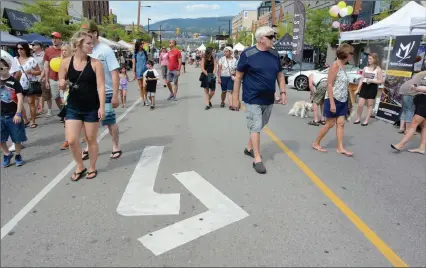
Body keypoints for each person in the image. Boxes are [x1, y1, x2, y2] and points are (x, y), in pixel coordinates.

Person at [232, 26, 287, 174]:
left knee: (261, 124)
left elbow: (280, 75)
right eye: (270, 37)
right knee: (256, 126)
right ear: (261, 38)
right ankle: (257, 158)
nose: (273, 39)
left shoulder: (274, 54)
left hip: (268, 99)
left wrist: (282, 92)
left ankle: (249, 148)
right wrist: (235, 99)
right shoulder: (248, 54)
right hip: (252, 98)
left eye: (273, 36)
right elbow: (238, 77)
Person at [58, 30, 106, 181]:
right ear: (78, 44)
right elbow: (61, 83)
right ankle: (80, 166)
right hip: (73, 107)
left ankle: (92, 166)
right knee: (72, 140)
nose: (92, 46)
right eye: (89, 43)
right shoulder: (66, 62)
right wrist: (61, 84)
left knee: (91, 139)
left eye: (92, 43)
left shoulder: (95, 63)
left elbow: (101, 87)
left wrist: (102, 107)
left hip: (91, 107)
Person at [86, 21, 122, 160]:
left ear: (95, 33)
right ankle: (89, 147)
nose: (87, 37)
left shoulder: (105, 50)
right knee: (88, 122)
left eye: (89, 33)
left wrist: (115, 95)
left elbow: (114, 73)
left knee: (109, 121)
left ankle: (115, 146)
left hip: (106, 92)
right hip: (89, 93)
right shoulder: (85, 51)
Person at [312, 43, 355, 156]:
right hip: (333, 99)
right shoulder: (335, 65)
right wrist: (332, 103)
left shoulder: (343, 66)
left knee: (341, 124)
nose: (352, 56)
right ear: (346, 54)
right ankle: (316, 143)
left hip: (342, 99)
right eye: (351, 53)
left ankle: (340, 147)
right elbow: (330, 85)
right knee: (330, 123)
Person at [1, 52, 26, 167]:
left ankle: (18, 154)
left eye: (1, 67)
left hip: (13, 114)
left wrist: (18, 113)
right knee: (1, 138)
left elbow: (20, 98)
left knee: (17, 138)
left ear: (8, 67)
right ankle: (6, 154)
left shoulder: (14, 82)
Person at [391, 79, 426, 155]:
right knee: (424, 126)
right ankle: (422, 148)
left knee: (414, 124)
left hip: (424, 102)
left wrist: (415, 88)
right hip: (421, 100)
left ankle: (400, 145)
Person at [15, 42, 42, 129]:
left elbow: (39, 71)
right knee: (18, 103)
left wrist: (31, 72)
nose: (19, 50)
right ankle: (25, 119)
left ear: (26, 49)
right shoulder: (15, 60)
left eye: (21, 48)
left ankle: (33, 121)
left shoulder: (31, 60)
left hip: (30, 84)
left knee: (31, 103)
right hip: (18, 85)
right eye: (18, 48)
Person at [354, 53, 383, 126]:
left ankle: (366, 120)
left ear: (375, 59)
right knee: (360, 104)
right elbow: (361, 79)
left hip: (372, 87)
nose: (369, 60)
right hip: (364, 86)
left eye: (370, 59)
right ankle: (358, 118)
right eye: (368, 59)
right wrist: (358, 89)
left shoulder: (378, 69)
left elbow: (380, 81)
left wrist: (372, 81)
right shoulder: (365, 68)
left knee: (370, 105)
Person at [43, 32, 63, 117]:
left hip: (64, 78)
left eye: (56, 38)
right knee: (56, 97)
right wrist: (46, 80)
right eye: (52, 38)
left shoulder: (64, 49)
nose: (54, 40)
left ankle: (67, 114)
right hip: (53, 79)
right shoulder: (48, 51)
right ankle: (63, 111)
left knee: (65, 97)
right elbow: (46, 67)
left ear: (60, 39)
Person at [31, 40, 46, 115]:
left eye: (34, 45)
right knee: (35, 94)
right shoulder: (32, 55)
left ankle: (41, 108)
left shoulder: (44, 55)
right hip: (33, 77)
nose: (32, 46)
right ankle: (37, 109)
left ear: (39, 46)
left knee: (41, 94)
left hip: (42, 77)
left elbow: (45, 67)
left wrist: (42, 77)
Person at [132, 39, 148, 105]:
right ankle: (143, 100)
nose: (142, 45)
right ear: (138, 44)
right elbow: (134, 64)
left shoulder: (145, 52)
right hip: (138, 72)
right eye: (141, 44)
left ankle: (146, 99)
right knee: (141, 86)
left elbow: (147, 62)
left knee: (145, 86)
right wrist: (133, 73)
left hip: (145, 71)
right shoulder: (135, 53)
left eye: (143, 44)